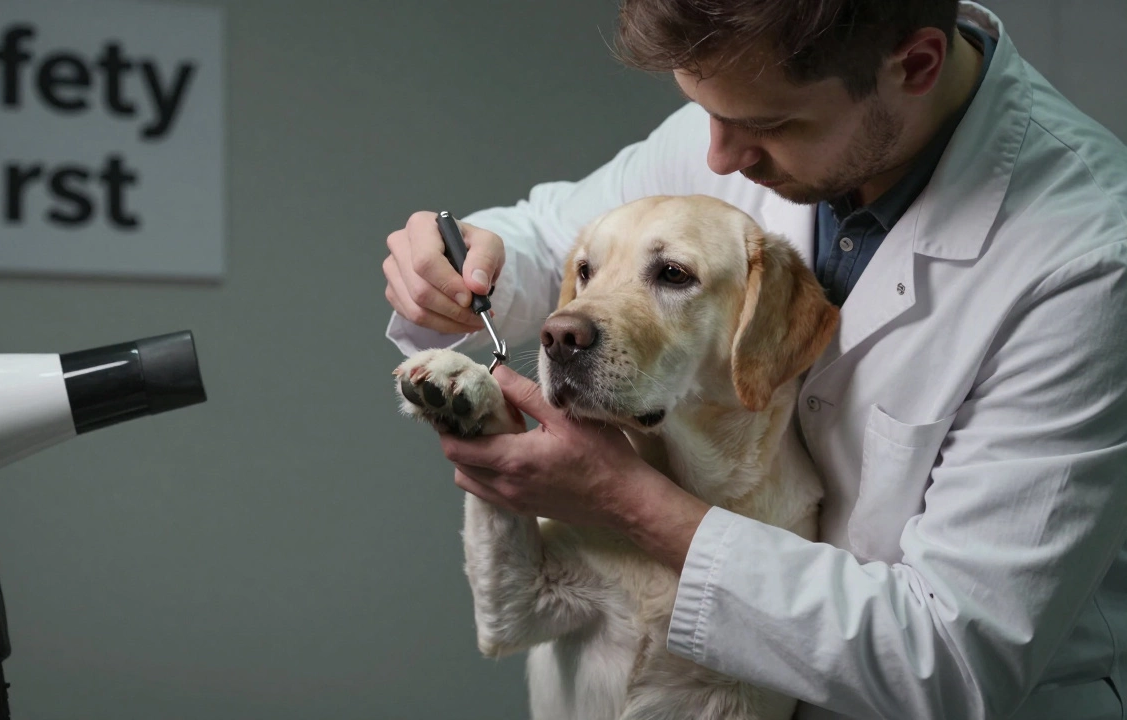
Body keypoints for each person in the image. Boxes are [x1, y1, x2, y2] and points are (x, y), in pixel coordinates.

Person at [381, 1, 1127, 718]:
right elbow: (551, 242)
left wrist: (624, 499)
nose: (718, 157)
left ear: (917, 64)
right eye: (706, 113)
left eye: (768, 123)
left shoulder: (1087, 258)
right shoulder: (749, 103)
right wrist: (470, 265)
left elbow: (953, 660)